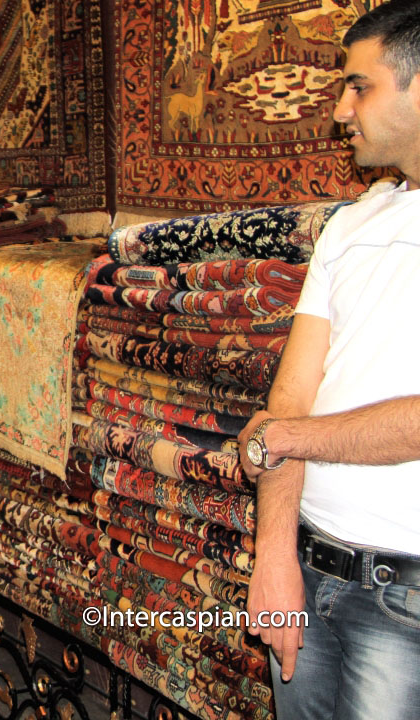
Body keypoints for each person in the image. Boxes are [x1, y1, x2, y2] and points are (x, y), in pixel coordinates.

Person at [237, 2, 420, 717]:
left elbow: (283, 429)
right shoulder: (350, 226)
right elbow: (291, 395)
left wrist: (284, 439)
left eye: (359, 85)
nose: (342, 109)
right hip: (311, 572)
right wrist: (275, 556)